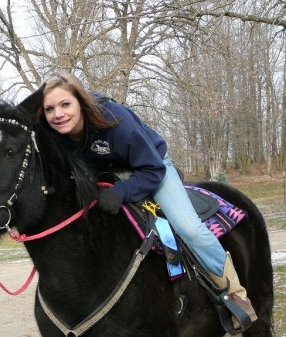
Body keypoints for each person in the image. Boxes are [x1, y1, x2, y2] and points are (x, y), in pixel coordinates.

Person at [37, 71, 257, 329]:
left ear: (81, 102)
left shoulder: (113, 119)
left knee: (190, 229)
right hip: (105, 175)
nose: (58, 114)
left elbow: (152, 169)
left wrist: (122, 192)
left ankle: (235, 295)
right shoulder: (52, 135)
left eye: (65, 105)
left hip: (150, 167)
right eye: (49, 109)